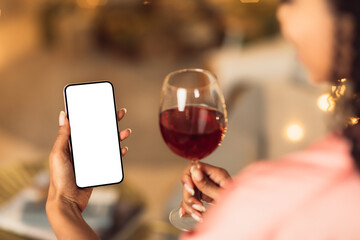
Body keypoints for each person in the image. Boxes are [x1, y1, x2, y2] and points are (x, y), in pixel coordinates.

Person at [46, 0, 360, 239]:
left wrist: (63, 206)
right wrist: (240, 207)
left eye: (291, 1)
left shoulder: (303, 192)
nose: (281, 15)